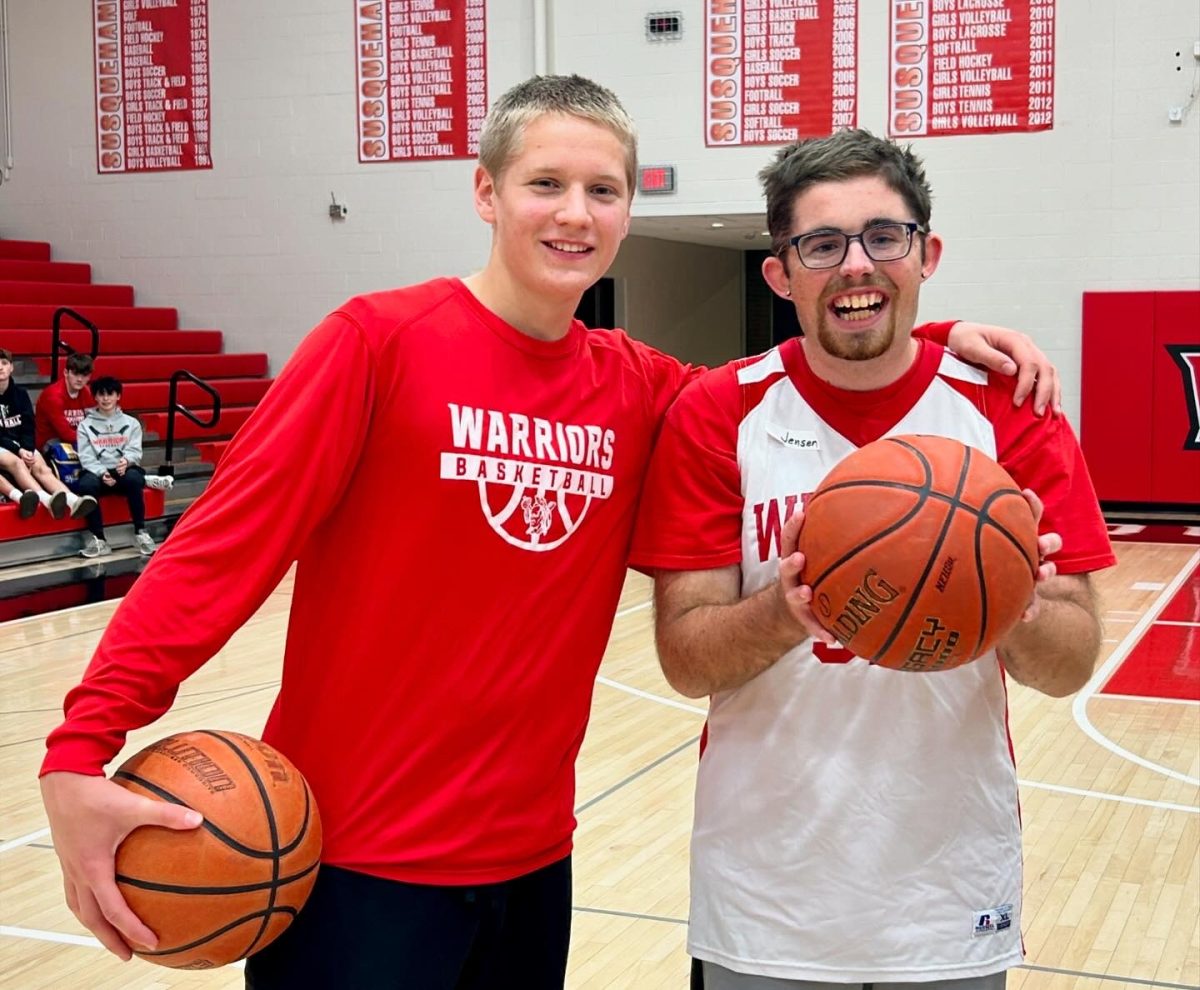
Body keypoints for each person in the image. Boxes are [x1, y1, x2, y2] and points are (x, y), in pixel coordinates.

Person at [38, 77, 1064, 990]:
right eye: (545, 184)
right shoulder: (376, 343)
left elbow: (798, 369)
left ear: (626, 212)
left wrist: (926, 339)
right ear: (487, 194)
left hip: (534, 869)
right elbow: (219, 552)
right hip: (353, 864)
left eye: (603, 191)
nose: (574, 213)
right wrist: (80, 749)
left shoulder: (642, 389)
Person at [628, 129, 1116, 990]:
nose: (856, 265)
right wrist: (783, 611)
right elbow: (684, 658)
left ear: (926, 253)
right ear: (781, 273)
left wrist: (1018, 603)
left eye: (882, 237)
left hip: (948, 889)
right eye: (822, 244)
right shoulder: (716, 414)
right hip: (764, 893)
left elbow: (1072, 661)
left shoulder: (1010, 407)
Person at [73, 375, 173, 558]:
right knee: (86, 485)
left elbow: (135, 451)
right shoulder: (85, 426)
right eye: (101, 394)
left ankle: (141, 532)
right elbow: (86, 457)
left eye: (110, 394)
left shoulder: (131, 423)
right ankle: (98, 539)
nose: (105, 398)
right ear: (95, 397)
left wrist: (126, 461)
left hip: (123, 470)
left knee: (134, 478)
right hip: (98, 472)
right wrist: (102, 472)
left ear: (118, 396)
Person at [0, 347, 97, 520]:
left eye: (4, 363)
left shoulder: (20, 394)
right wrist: (19, 449)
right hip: (5, 446)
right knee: (17, 462)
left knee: (41, 467)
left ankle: (73, 501)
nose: (0, 367)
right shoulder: (54, 395)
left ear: (11, 367)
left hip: (21, 443)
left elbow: (29, 425)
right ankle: (46, 500)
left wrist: (27, 447)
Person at [36, 350, 95, 454]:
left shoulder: (87, 392)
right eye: (75, 374)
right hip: (52, 441)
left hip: (78, 438)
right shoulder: (53, 396)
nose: (80, 379)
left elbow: (94, 421)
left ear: (89, 377)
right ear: (66, 372)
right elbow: (65, 434)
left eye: (84, 375)